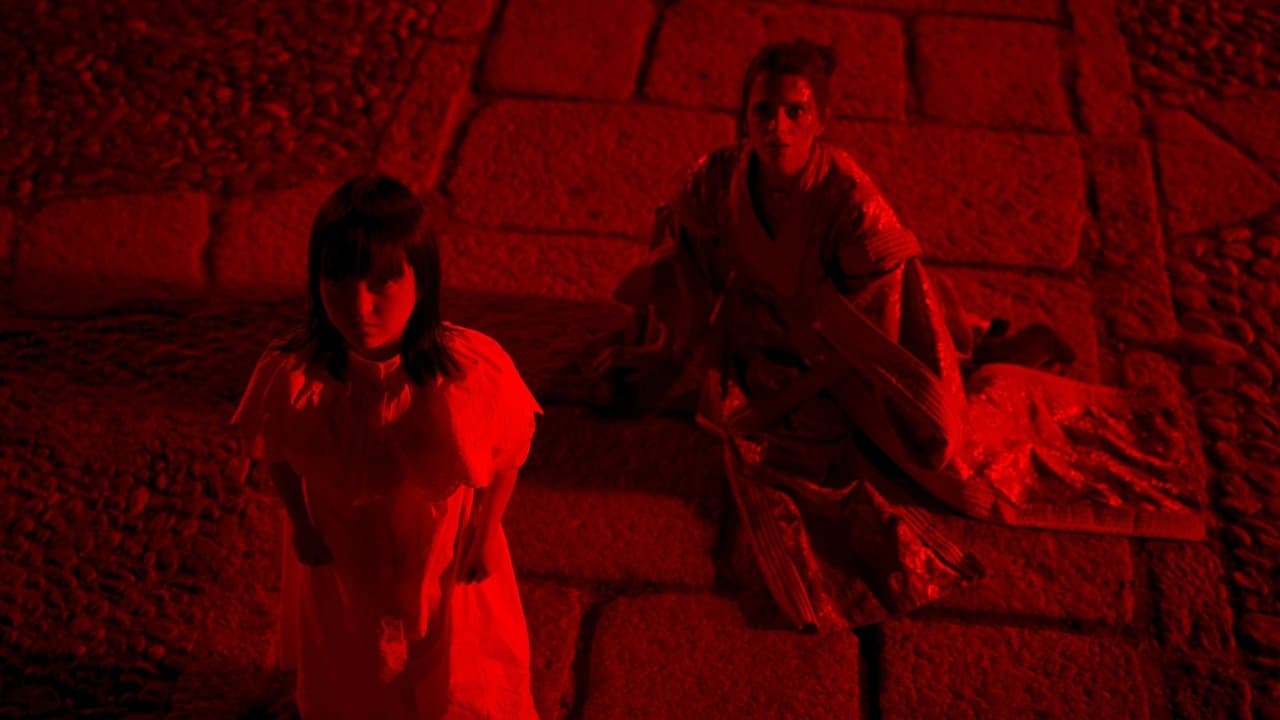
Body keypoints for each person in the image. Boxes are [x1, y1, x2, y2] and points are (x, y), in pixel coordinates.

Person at [567, 39, 1205, 631]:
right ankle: (981, 342)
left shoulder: (851, 202)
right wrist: (678, 348)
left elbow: (880, 334)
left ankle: (1001, 357)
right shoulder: (717, 178)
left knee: (945, 456)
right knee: (724, 413)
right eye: (763, 111)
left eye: (795, 112)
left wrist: (787, 397)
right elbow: (685, 265)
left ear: (822, 120)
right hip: (760, 334)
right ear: (744, 116)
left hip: (850, 354)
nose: (777, 127)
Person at [231, 175, 541, 717]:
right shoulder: (297, 379)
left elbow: (507, 455)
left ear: (421, 282)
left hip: (438, 547)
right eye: (338, 281)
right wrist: (302, 526)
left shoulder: (469, 373)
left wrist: (487, 531)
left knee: (447, 652)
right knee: (351, 653)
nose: (359, 305)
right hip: (346, 545)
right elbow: (279, 453)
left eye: (382, 283)